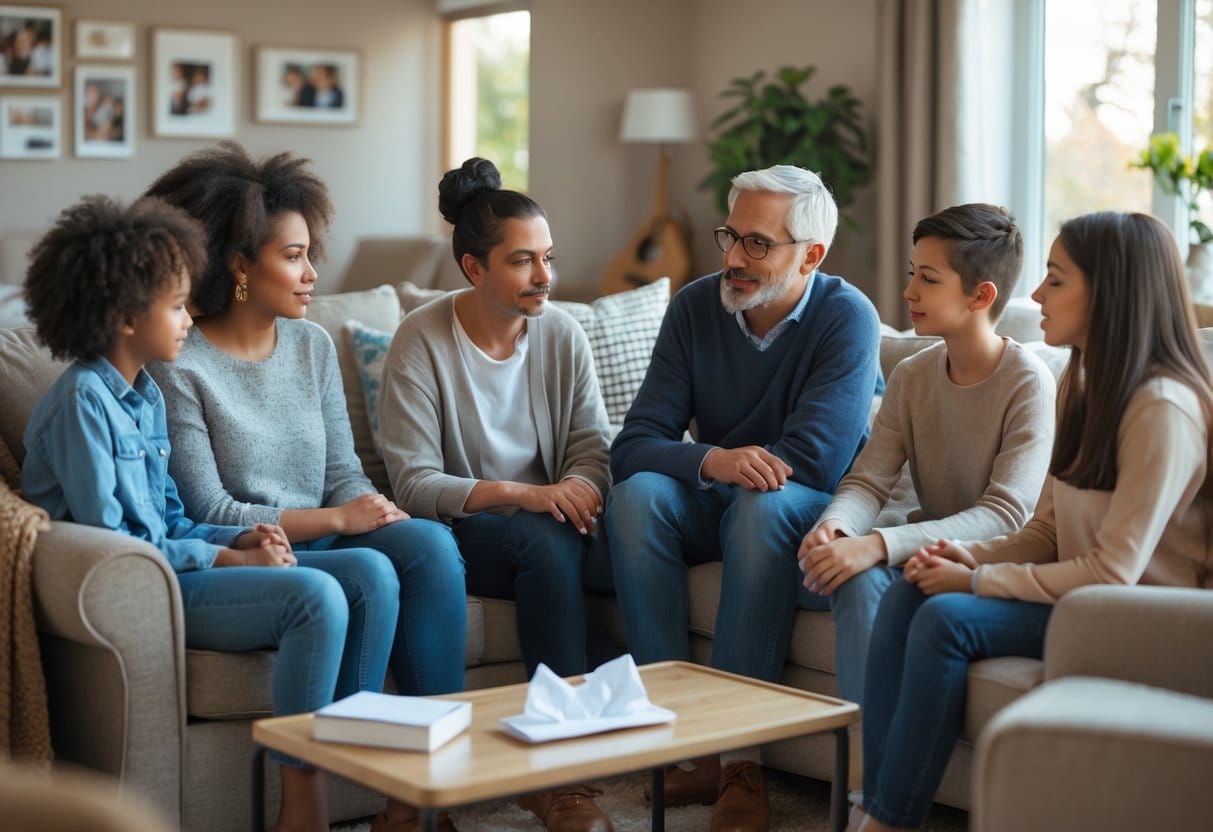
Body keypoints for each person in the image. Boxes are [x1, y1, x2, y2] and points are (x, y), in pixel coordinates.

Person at [20, 195, 401, 832]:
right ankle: (302, 807)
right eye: (176, 305)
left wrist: (243, 534)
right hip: (148, 591)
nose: (189, 320)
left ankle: (354, 767)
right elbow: (121, 543)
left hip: (179, 567)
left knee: (370, 574)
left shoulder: (142, 397)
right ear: (123, 315)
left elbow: (171, 518)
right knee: (318, 597)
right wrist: (229, 556)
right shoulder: (86, 402)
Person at [851, 211, 1213, 832]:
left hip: (1151, 619)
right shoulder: (1079, 379)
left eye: (1055, 280)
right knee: (911, 588)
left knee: (945, 619)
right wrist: (971, 558)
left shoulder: (1162, 409)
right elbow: (1045, 532)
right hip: (1090, 604)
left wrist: (976, 586)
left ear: (1110, 291)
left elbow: (1113, 571)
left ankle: (890, 823)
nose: (1037, 295)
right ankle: (874, 804)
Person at [143, 142, 467, 832]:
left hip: (319, 534)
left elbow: (342, 473)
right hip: (249, 549)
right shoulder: (180, 362)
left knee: (430, 545)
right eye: (292, 256)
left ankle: (421, 795)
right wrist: (340, 523)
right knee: (371, 570)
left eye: (309, 252)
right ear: (236, 265)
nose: (312, 273)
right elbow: (208, 508)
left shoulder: (312, 344)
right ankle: (343, 770)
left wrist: (373, 510)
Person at [605, 164, 881, 832]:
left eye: (757, 243)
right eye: (730, 235)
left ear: (809, 255)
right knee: (636, 498)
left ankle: (738, 760)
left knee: (763, 506)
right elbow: (633, 445)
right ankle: (675, 740)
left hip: (802, 511)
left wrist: (734, 472)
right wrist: (715, 459)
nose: (732, 257)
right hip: (724, 494)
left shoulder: (846, 317)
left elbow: (814, 460)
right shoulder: (696, 306)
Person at [377, 157, 614, 832]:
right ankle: (562, 780)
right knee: (544, 538)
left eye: (547, 258)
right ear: (473, 268)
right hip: (458, 534)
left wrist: (573, 486)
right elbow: (414, 484)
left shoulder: (563, 333)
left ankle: (592, 757)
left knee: (578, 534)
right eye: (521, 261)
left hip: (551, 525)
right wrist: (524, 494)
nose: (544, 277)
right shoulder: (419, 340)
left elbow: (591, 448)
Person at [798, 204, 1055, 709]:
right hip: (919, 553)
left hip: (979, 565)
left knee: (864, 565)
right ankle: (863, 778)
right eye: (913, 274)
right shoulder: (912, 375)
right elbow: (868, 482)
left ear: (982, 295)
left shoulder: (1029, 381)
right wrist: (838, 529)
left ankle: (872, 783)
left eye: (929, 280)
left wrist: (876, 544)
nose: (909, 292)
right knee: (849, 574)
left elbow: (1005, 517)